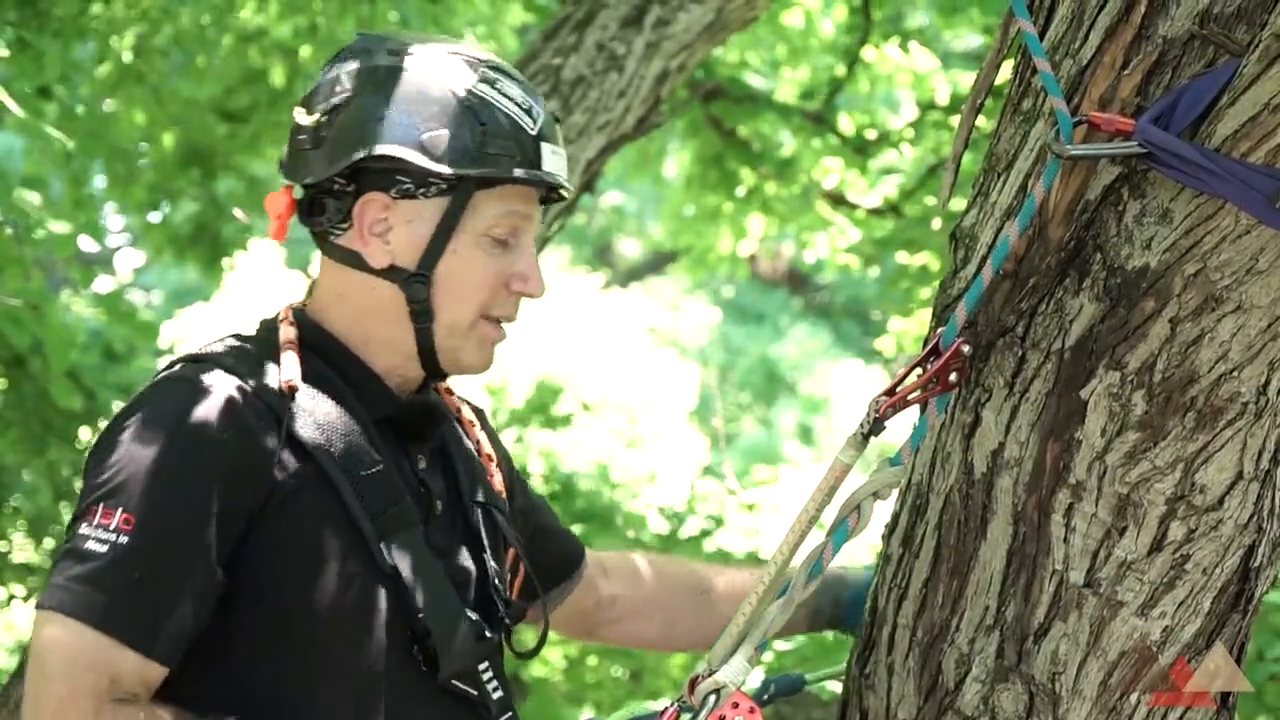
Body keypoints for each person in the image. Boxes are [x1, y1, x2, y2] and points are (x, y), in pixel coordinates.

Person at [20, 32, 877, 720]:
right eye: (502, 238)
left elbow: (602, 598)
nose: (531, 278)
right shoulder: (207, 424)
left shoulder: (451, 442)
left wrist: (831, 597)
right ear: (379, 226)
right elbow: (72, 705)